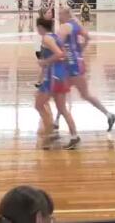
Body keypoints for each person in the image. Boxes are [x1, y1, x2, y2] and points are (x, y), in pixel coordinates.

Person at [57, 7, 115, 132]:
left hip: (70, 64)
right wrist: (80, 51)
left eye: (59, 14)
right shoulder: (76, 24)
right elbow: (88, 38)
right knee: (83, 94)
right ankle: (108, 114)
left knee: (61, 94)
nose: (58, 16)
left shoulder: (64, 27)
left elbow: (58, 45)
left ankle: (57, 122)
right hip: (78, 63)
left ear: (65, 14)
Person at [35, 17, 79, 150]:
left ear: (41, 28)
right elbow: (64, 53)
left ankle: (50, 134)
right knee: (62, 109)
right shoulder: (55, 37)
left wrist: (45, 62)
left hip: (53, 76)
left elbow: (60, 54)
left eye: (37, 27)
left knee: (38, 105)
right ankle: (74, 136)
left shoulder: (47, 39)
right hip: (60, 74)